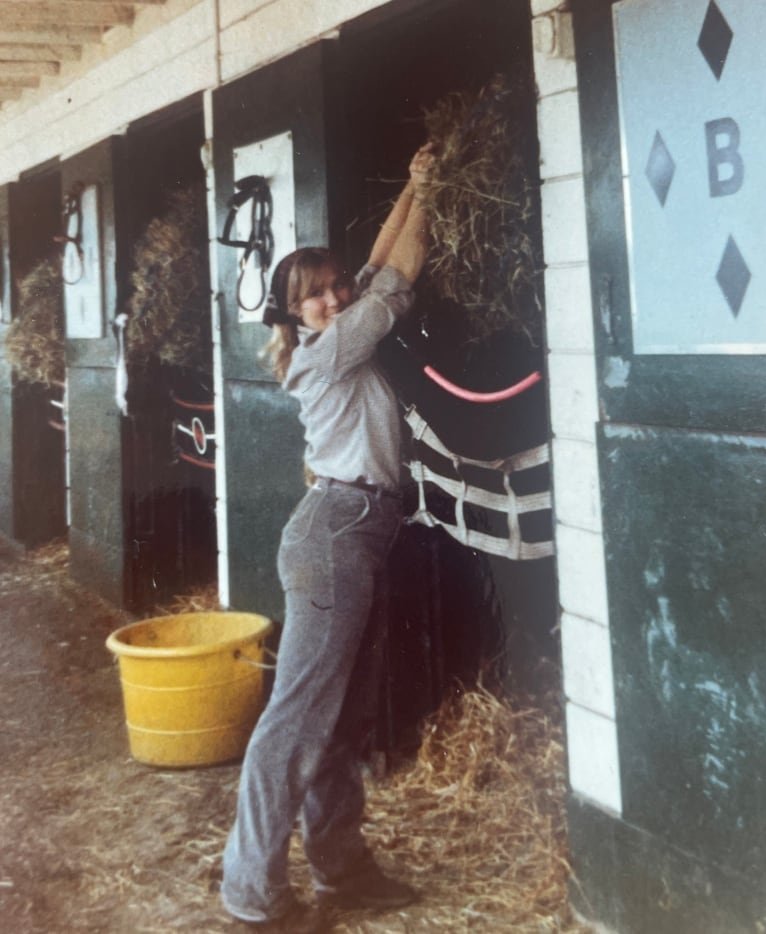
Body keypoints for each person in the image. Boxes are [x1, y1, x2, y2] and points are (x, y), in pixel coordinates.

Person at [221, 143, 434, 932]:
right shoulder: (331, 348)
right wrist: (434, 189)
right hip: (336, 533)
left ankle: (341, 869)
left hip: (357, 530)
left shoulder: (341, 326)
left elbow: (377, 264)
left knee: (338, 716)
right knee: (299, 717)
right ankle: (252, 892)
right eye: (314, 294)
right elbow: (400, 275)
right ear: (292, 310)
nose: (336, 297)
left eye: (336, 285)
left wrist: (412, 182)